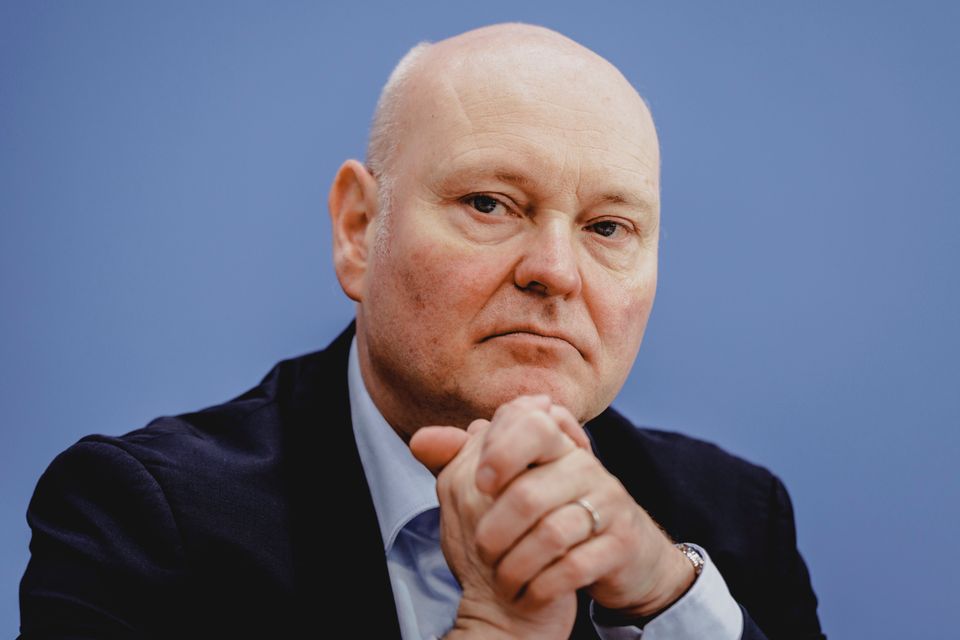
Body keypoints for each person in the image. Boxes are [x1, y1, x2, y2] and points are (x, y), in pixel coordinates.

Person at [19, 23, 824, 640]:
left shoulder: (732, 524)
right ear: (358, 229)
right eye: (489, 204)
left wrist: (666, 602)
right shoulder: (144, 521)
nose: (555, 270)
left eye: (608, 227)